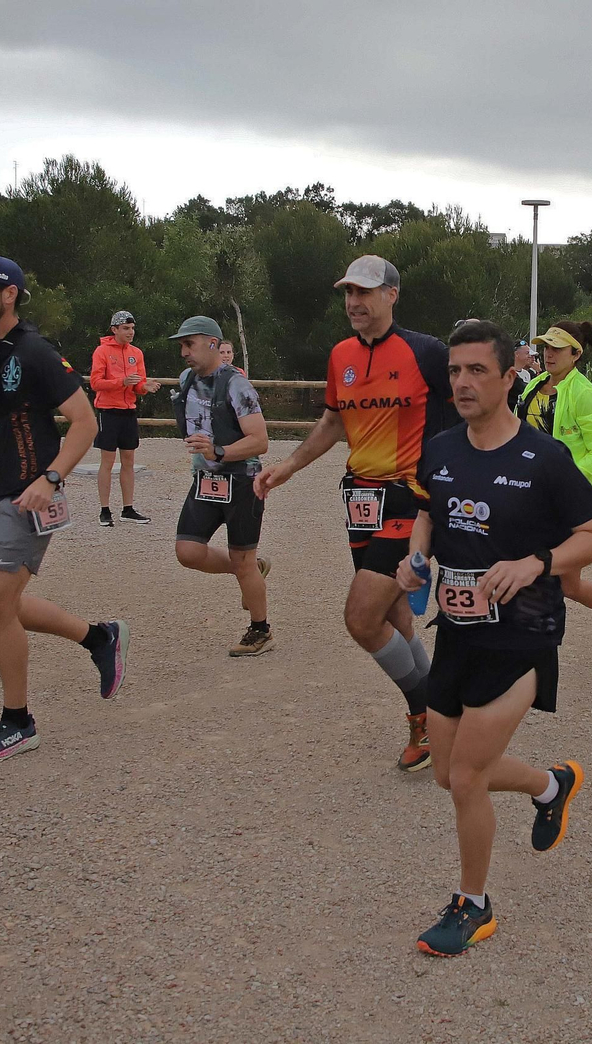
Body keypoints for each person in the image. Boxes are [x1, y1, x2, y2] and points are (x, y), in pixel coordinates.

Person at [396, 319, 592, 957]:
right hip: (458, 633)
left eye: (476, 371)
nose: (461, 382)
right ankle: (551, 786)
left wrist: (535, 562)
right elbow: (429, 511)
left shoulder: (544, 458)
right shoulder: (440, 449)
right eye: (455, 371)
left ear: (508, 377)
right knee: (447, 774)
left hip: (524, 636)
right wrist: (415, 555)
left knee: (465, 776)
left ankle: (474, 904)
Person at [253, 255, 456, 771]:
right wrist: (290, 466)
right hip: (360, 498)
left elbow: (471, 406)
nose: (353, 302)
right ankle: (442, 712)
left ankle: (426, 714)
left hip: (409, 499)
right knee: (394, 615)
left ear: (392, 294)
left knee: (361, 619)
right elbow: (332, 421)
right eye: (348, 292)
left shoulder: (427, 352)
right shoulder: (341, 353)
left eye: (364, 292)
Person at [0, 256, 129, 764]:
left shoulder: (37, 352)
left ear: (9, 293)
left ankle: (18, 722)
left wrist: (51, 479)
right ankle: (99, 637)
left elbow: (84, 422)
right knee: (5, 606)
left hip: (29, 494)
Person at [519, 321, 592, 658]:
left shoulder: (583, 392)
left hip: (572, 500)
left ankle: (543, 646)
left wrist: (557, 480)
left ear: (576, 353)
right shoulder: (534, 386)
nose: (549, 353)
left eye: (557, 347)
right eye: (545, 346)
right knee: (563, 582)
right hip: (534, 497)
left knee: (555, 577)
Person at [170, 316, 274, 656]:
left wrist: (220, 451)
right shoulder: (187, 379)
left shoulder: (236, 385)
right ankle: (250, 570)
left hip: (243, 481)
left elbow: (260, 441)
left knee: (241, 557)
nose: (184, 352)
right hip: (206, 480)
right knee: (187, 551)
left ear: (213, 344)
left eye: (190, 344)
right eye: (182, 345)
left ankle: (261, 630)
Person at [89, 310, 156, 526]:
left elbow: (138, 382)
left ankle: (128, 508)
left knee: (129, 460)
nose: (130, 332)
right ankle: (104, 509)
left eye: (132, 328)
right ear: (114, 329)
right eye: (126, 328)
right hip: (108, 411)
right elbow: (96, 382)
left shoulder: (136, 353)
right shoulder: (102, 351)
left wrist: (145, 387)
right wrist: (121, 382)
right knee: (107, 462)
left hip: (128, 411)